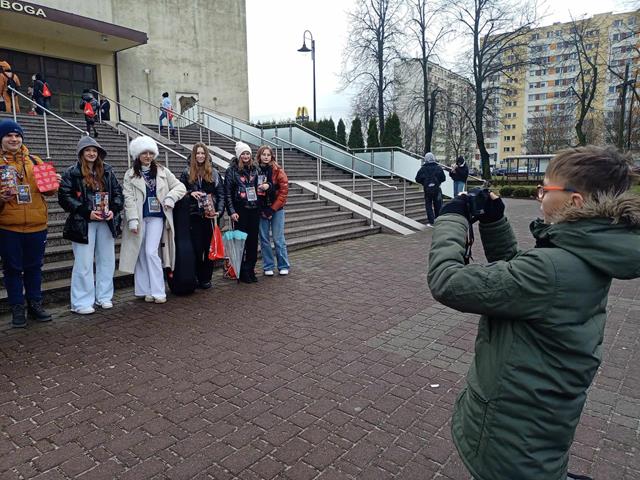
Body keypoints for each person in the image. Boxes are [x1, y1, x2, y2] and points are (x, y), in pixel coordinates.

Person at [427, 145, 640, 480]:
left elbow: (447, 281)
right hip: (537, 421)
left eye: (545, 189)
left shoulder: (554, 268)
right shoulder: (589, 254)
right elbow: (522, 285)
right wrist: (494, 223)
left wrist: (451, 217)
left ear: (575, 201)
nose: (540, 197)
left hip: (512, 437)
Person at [0, 120, 59, 327]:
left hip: (37, 225)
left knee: (34, 268)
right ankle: (17, 308)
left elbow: (49, 192)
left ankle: (35, 304)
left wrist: (53, 184)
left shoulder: (35, 160)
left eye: (17, 135)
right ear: (1, 139)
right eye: (9, 135)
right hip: (8, 226)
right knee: (12, 269)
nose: (14, 139)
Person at [58, 137, 123, 315]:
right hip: (83, 222)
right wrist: (86, 212)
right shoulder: (72, 172)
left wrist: (113, 209)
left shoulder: (107, 170)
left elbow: (118, 193)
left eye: (94, 150)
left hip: (106, 221)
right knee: (83, 262)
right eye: (87, 150)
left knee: (107, 260)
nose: (91, 153)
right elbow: (64, 196)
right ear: (81, 153)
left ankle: (104, 296)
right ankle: (80, 302)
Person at [119, 136, 186, 303]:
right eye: (144, 153)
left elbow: (180, 187)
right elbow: (128, 198)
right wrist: (132, 219)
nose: (148, 156)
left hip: (157, 217)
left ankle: (158, 291)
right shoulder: (130, 174)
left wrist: (170, 197)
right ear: (138, 155)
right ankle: (145, 289)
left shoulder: (162, 171)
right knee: (141, 253)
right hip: (140, 217)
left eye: (150, 153)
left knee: (151, 252)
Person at [179, 142, 224, 289]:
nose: (200, 156)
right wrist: (190, 193)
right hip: (194, 216)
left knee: (209, 248)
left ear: (206, 155)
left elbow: (221, 194)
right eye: (197, 153)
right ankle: (198, 276)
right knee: (197, 249)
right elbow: (179, 191)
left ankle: (206, 278)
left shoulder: (214, 172)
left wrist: (219, 211)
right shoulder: (186, 172)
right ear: (194, 155)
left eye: (202, 153)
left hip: (210, 216)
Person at [224, 141, 260, 283]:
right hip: (240, 210)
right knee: (241, 242)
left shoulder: (255, 169)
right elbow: (227, 193)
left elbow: (259, 188)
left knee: (253, 241)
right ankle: (242, 270)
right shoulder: (231, 171)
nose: (245, 156)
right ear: (239, 156)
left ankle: (250, 268)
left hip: (254, 209)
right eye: (243, 154)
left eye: (248, 153)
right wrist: (231, 211)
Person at [256, 145, 290, 276]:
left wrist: (272, 209)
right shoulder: (255, 170)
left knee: (278, 238)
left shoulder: (278, 171)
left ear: (272, 156)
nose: (266, 157)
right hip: (261, 209)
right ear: (259, 156)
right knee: (264, 239)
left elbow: (283, 193)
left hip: (277, 209)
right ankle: (268, 266)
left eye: (268, 155)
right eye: (263, 154)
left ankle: (283, 265)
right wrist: (262, 208)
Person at [415, 152, 445, 226]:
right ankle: (438, 220)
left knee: (428, 206)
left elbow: (417, 179)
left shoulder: (423, 169)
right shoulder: (438, 168)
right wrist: (438, 182)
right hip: (437, 189)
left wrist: (424, 183)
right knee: (438, 205)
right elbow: (443, 178)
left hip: (427, 190)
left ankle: (431, 221)